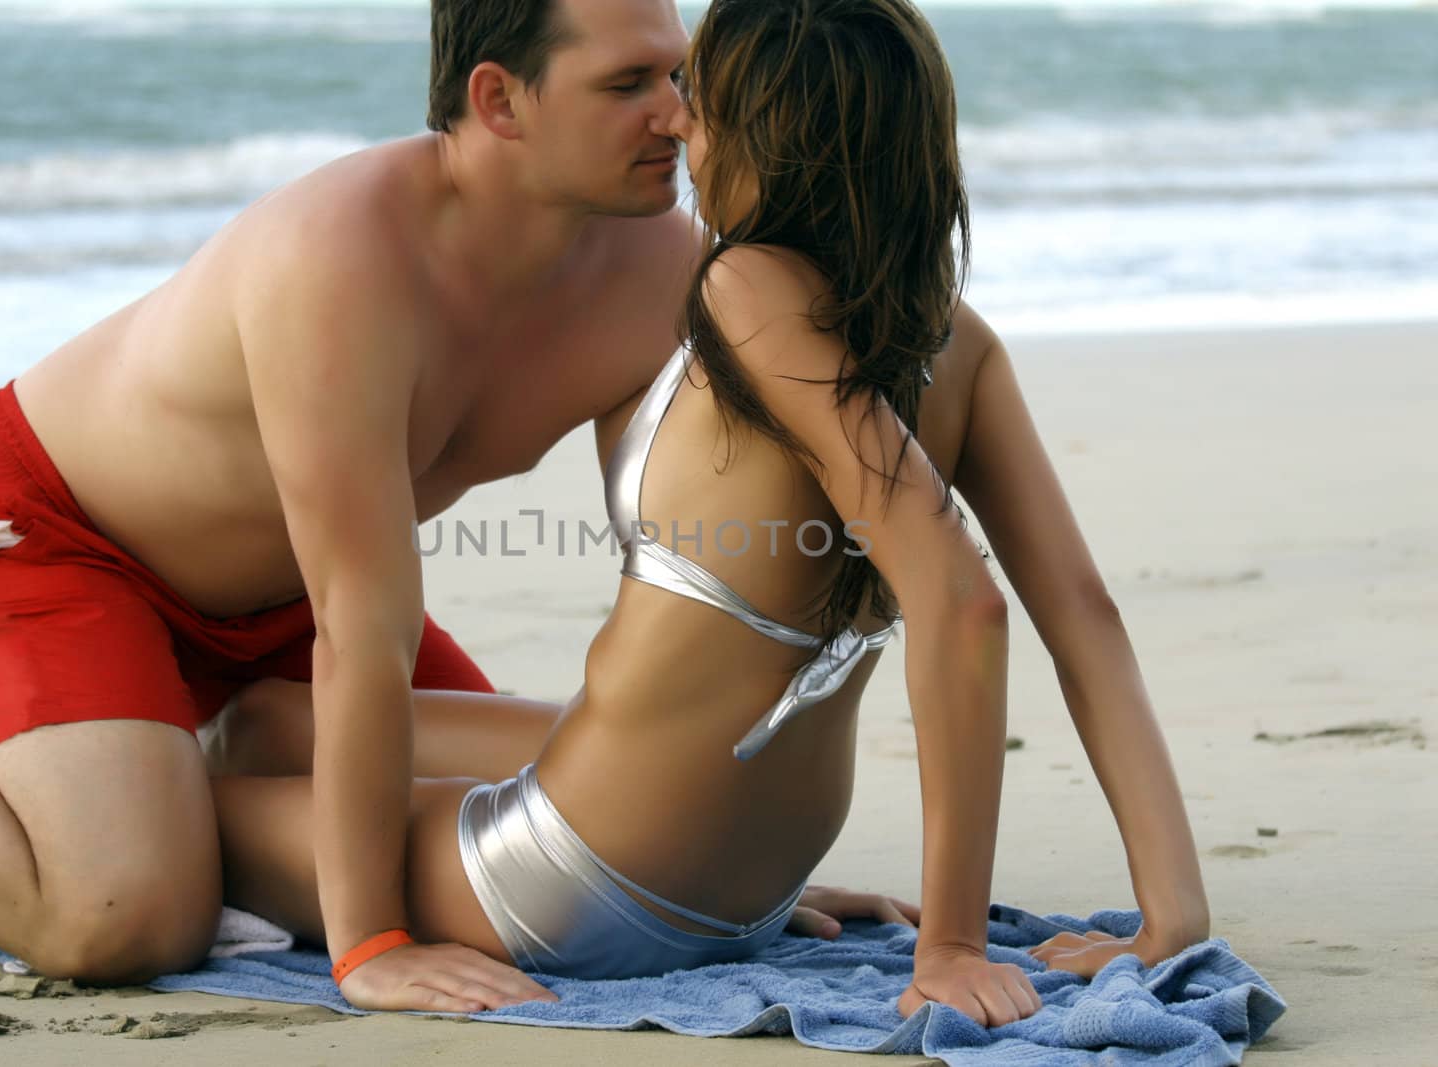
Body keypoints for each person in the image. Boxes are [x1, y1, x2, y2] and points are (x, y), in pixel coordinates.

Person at [188, 0, 1212, 1027]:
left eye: (702, 102)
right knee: (268, 719)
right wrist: (1171, 911)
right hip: (753, 887)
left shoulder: (743, 284)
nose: (676, 122)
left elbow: (963, 603)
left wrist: (944, 944)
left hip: (571, 876)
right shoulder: (962, 342)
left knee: (190, 813)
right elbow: (1084, 617)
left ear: (777, 142)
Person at [0, 0, 706, 1012]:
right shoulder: (343, 253)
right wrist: (369, 940)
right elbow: (362, 628)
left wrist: (702, 867)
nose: (677, 117)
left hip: (296, 591)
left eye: (678, 79)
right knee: (122, 918)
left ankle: (103, 802)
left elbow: (675, 583)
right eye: (628, 85)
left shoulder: (662, 272)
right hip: (59, 532)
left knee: (579, 811)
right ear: (499, 99)